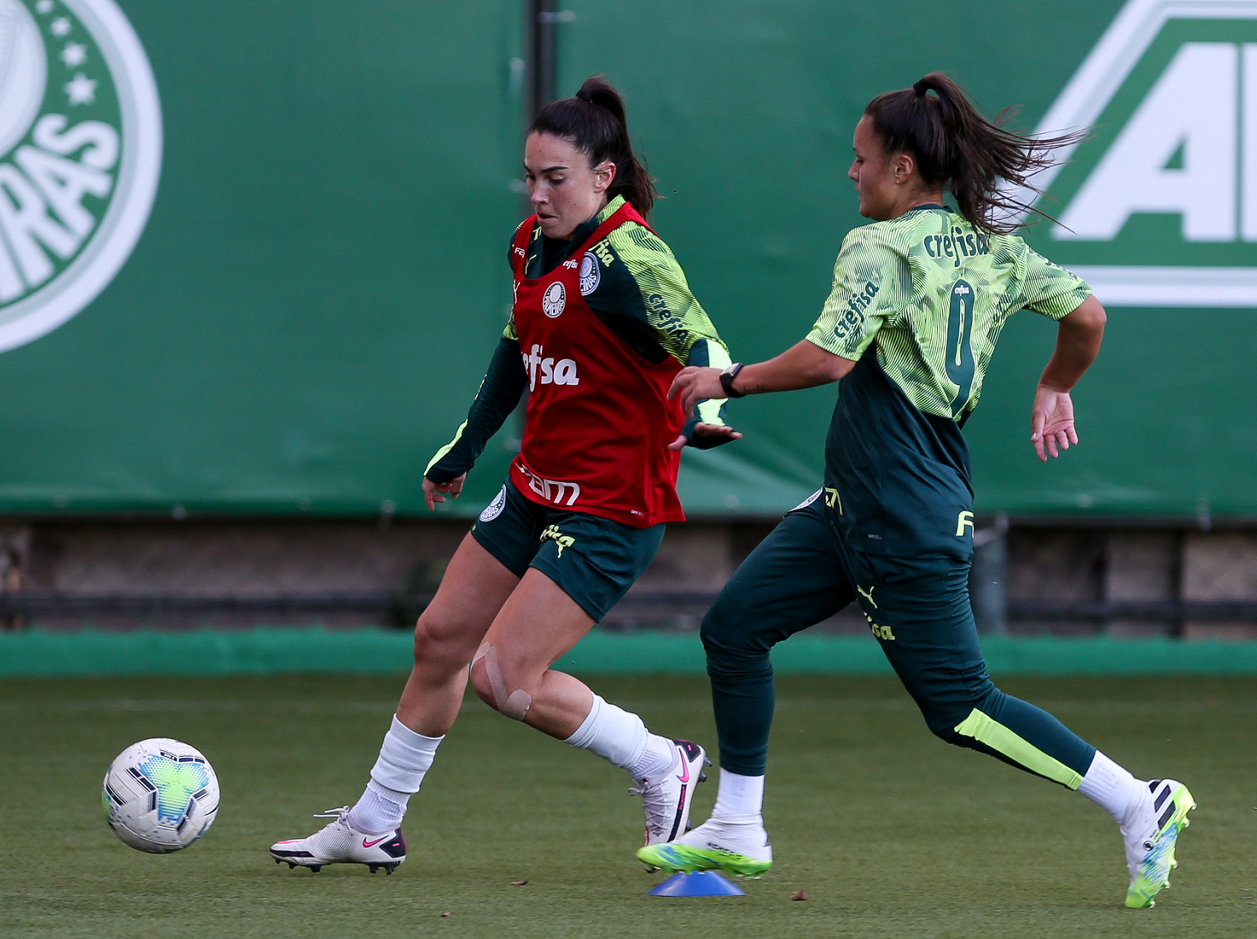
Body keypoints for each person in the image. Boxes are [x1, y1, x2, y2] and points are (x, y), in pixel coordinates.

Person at [637, 73, 1194, 910]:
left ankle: (1139, 800)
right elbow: (1089, 316)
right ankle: (738, 825)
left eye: (860, 158)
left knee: (961, 707)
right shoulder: (996, 249)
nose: (850, 172)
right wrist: (1056, 383)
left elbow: (830, 358)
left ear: (902, 168)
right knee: (735, 627)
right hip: (857, 501)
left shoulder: (880, 246)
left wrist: (730, 378)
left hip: (901, 508)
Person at [270, 76, 738, 873]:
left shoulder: (631, 257)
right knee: (439, 639)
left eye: (556, 178)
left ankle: (664, 762)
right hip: (533, 487)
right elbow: (516, 350)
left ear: (604, 176)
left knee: (505, 676)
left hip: (612, 506)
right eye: (529, 176)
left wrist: (707, 409)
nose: (538, 193)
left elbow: (703, 341)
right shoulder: (529, 243)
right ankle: (374, 823)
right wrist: (465, 445)